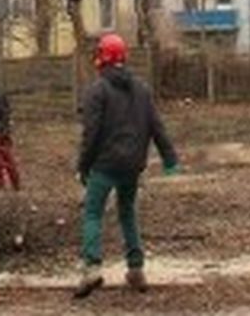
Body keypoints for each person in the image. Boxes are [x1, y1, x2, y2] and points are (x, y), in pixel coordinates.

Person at [74, 33, 179, 299]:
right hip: (133, 165)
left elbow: (90, 133)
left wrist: (83, 166)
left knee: (93, 213)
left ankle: (92, 268)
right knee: (127, 213)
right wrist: (169, 158)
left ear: (102, 58)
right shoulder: (142, 89)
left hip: (104, 165)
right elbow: (156, 125)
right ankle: (136, 268)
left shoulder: (97, 90)